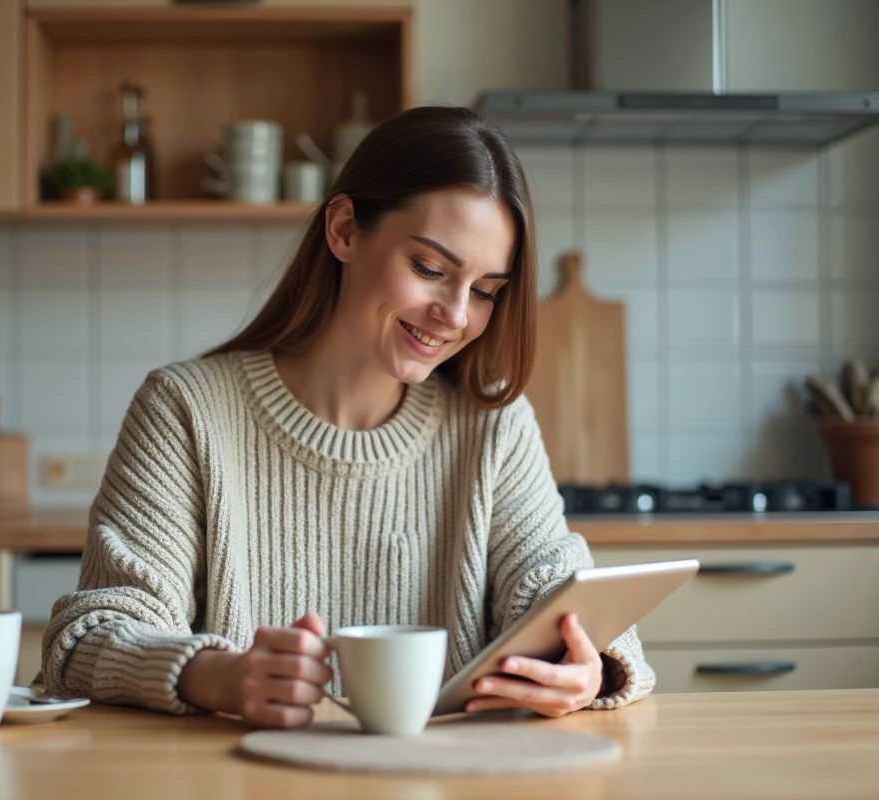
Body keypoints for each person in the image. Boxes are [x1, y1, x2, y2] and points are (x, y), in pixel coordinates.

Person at [42, 104, 654, 728]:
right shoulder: (185, 410)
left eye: (486, 291)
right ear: (343, 230)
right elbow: (90, 636)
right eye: (429, 269)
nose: (455, 314)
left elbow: (556, 584)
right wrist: (219, 677)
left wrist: (588, 662)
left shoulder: (493, 425)